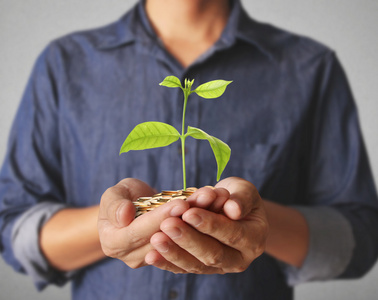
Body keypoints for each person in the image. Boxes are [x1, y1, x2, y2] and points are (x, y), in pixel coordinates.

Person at [1, 0, 378, 299]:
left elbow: (359, 241)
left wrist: (254, 223)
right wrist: (118, 223)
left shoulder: (309, 67)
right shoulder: (66, 63)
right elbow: (11, 228)